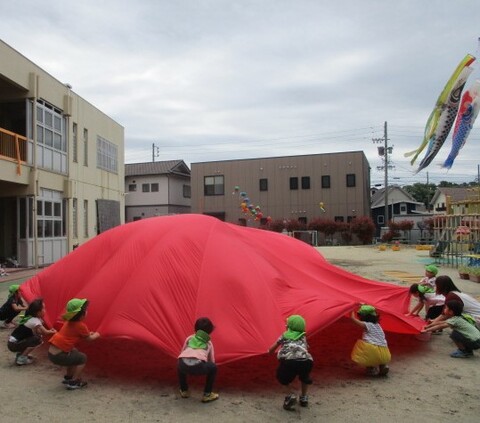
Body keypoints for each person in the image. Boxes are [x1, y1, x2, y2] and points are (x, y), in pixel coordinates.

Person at [47, 298, 100, 390]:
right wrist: (98, 334)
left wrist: (89, 333)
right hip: (59, 355)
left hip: (52, 353)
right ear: (81, 315)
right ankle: (74, 382)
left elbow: (80, 334)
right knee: (82, 358)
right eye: (85, 310)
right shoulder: (80, 325)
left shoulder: (68, 322)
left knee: (74, 353)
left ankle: (69, 377)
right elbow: (89, 339)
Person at [268, 314, 313, 411]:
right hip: (306, 361)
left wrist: (269, 351)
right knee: (304, 377)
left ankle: (291, 395)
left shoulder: (284, 336)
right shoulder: (303, 336)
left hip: (290, 362)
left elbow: (272, 349)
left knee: (282, 378)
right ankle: (304, 398)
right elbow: (306, 348)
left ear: (289, 327)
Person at [177, 317, 219, 403]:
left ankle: (184, 390)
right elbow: (211, 360)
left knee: (180, 362)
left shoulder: (189, 338)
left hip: (182, 364)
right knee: (213, 367)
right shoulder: (209, 343)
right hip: (198, 366)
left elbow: (182, 352)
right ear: (210, 332)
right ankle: (207, 394)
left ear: (195, 329)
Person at [7, 298, 56, 365]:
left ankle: (21, 354)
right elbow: (46, 332)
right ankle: (22, 358)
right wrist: (54, 331)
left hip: (12, 343)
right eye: (44, 309)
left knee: (35, 337)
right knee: (38, 340)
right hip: (13, 344)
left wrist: (48, 330)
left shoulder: (29, 317)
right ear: (38, 312)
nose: (45, 310)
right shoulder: (35, 321)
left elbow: (39, 331)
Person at [350, 305, 391, 377]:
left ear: (363, 317)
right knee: (380, 357)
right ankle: (383, 366)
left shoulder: (367, 325)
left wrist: (352, 310)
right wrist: (363, 305)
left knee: (363, 347)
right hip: (384, 351)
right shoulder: (378, 325)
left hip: (371, 350)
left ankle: (370, 368)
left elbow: (353, 319)